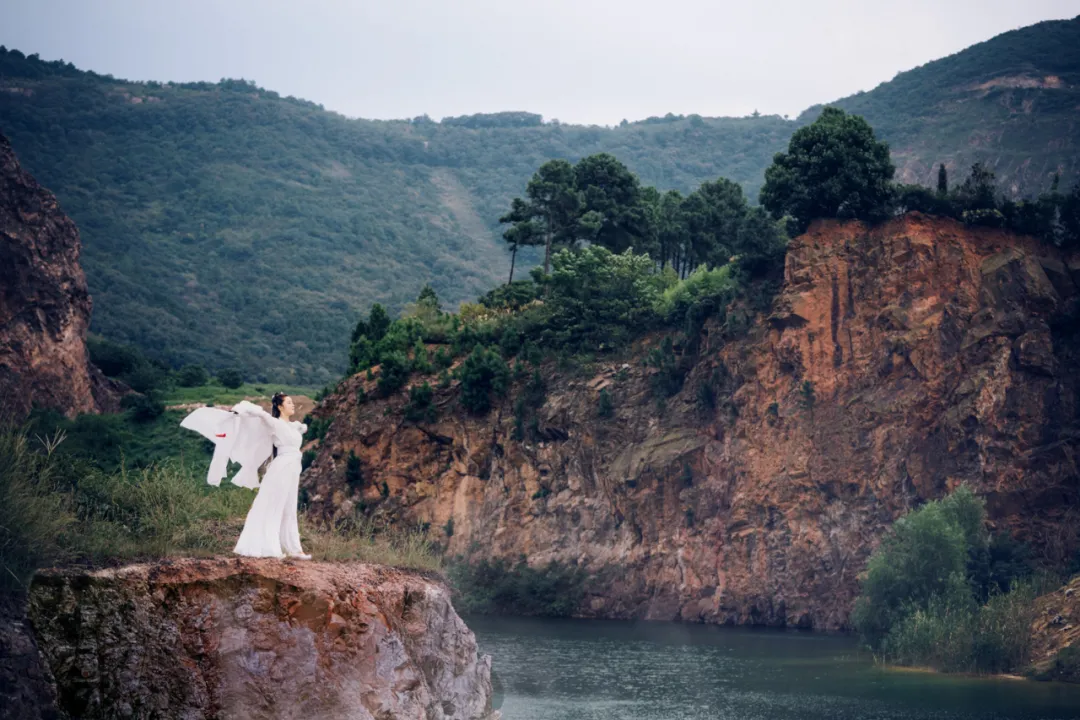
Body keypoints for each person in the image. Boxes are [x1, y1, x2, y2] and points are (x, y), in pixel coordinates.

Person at [180, 392, 311, 559]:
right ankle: (270, 546)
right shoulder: (273, 422)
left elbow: (301, 428)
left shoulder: (292, 426)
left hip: (293, 468)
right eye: (289, 402)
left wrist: (302, 427)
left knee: (290, 507)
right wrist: (240, 411)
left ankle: (295, 549)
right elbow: (256, 412)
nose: (293, 405)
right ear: (280, 406)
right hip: (282, 468)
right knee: (274, 505)